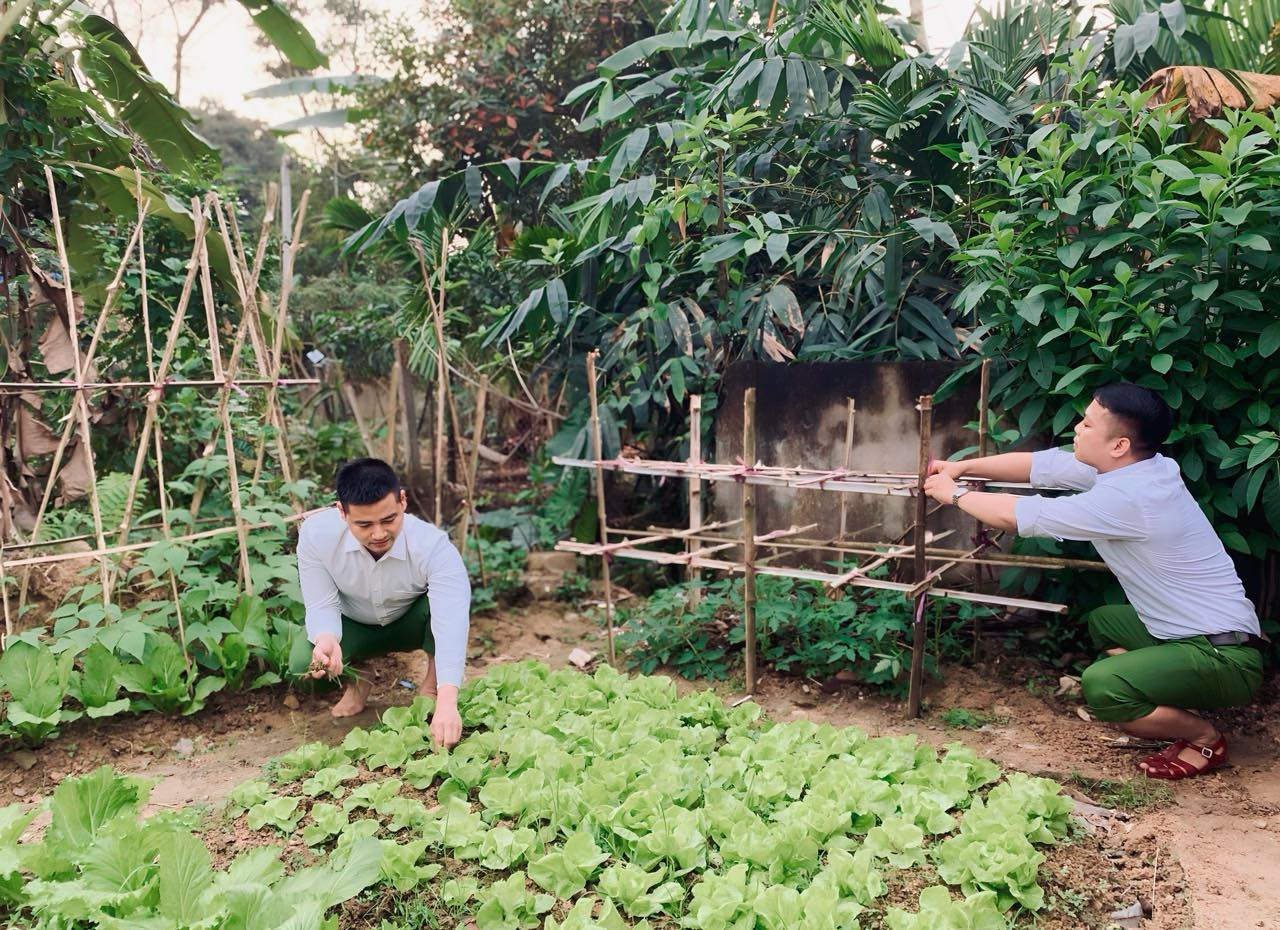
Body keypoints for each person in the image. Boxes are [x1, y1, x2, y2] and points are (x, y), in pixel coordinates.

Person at [924, 382, 1266, 780]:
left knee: (1102, 685)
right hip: (1197, 634)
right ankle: (1159, 695)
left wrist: (955, 495)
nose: (1077, 429)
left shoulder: (1130, 498)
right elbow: (1039, 467)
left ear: (1119, 444)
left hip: (1225, 657)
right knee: (1106, 621)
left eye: (1086, 424)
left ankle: (1203, 737)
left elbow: (1017, 516)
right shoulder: (1140, 466)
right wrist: (962, 468)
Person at [296, 457, 470, 747]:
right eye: (364, 524)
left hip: (408, 621)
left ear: (402, 501)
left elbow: (451, 622)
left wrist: (448, 701)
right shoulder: (316, 535)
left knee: (449, 606)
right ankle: (359, 675)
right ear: (341, 511)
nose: (378, 534)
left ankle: (431, 686)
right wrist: (326, 638)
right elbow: (321, 602)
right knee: (303, 660)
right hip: (354, 622)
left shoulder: (433, 546)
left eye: (388, 520)